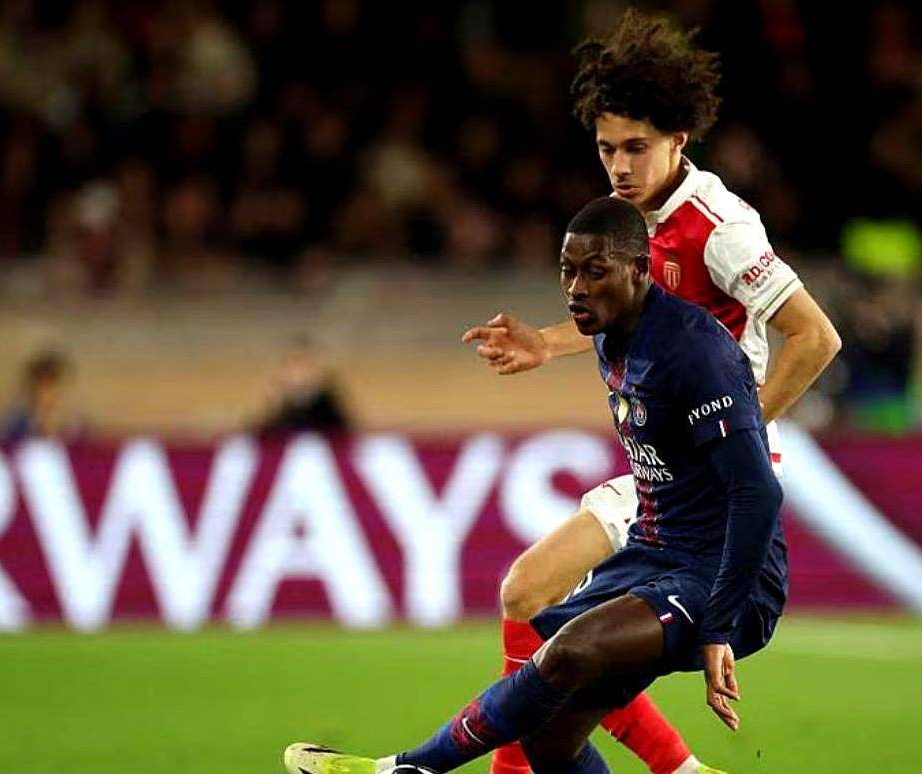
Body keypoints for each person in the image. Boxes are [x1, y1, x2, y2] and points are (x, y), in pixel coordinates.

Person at [286, 196, 787, 774]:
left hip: (725, 575)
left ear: (640, 271)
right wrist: (545, 344)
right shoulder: (613, 334)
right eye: (567, 271)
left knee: (569, 651)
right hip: (657, 551)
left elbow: (759, 493)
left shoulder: (696, 351)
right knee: (548, 735)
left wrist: (719, 624)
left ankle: (405, 769)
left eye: (594, 272)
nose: (575, 288)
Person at [461, 10, 841, 774]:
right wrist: (546, 343)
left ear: (678, 140)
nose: (619, 166)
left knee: (542, 609)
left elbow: (815, 337)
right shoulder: (630, 221)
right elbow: (624, 315)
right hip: (660, 470)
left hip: (707, 478)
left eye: (636, 147)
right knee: (533, 604)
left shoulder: (718, 228)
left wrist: (734, 433)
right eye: (607, 149)